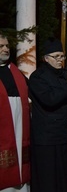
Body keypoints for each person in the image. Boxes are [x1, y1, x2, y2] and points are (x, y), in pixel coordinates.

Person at [29, 38, 67, 192]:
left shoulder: (66, 73)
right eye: (56, 57)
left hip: (65, 134)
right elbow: (50, 100)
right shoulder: (37, 77)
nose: (60, 60)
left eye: (62, 56)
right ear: (46, 58)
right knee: (50, 180)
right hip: (47, 138)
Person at [0, 33, 30, 191]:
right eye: (1, 46)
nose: (5, 49)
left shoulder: (16, 72)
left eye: (6, 46)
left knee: (20, 158)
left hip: (19, 125)